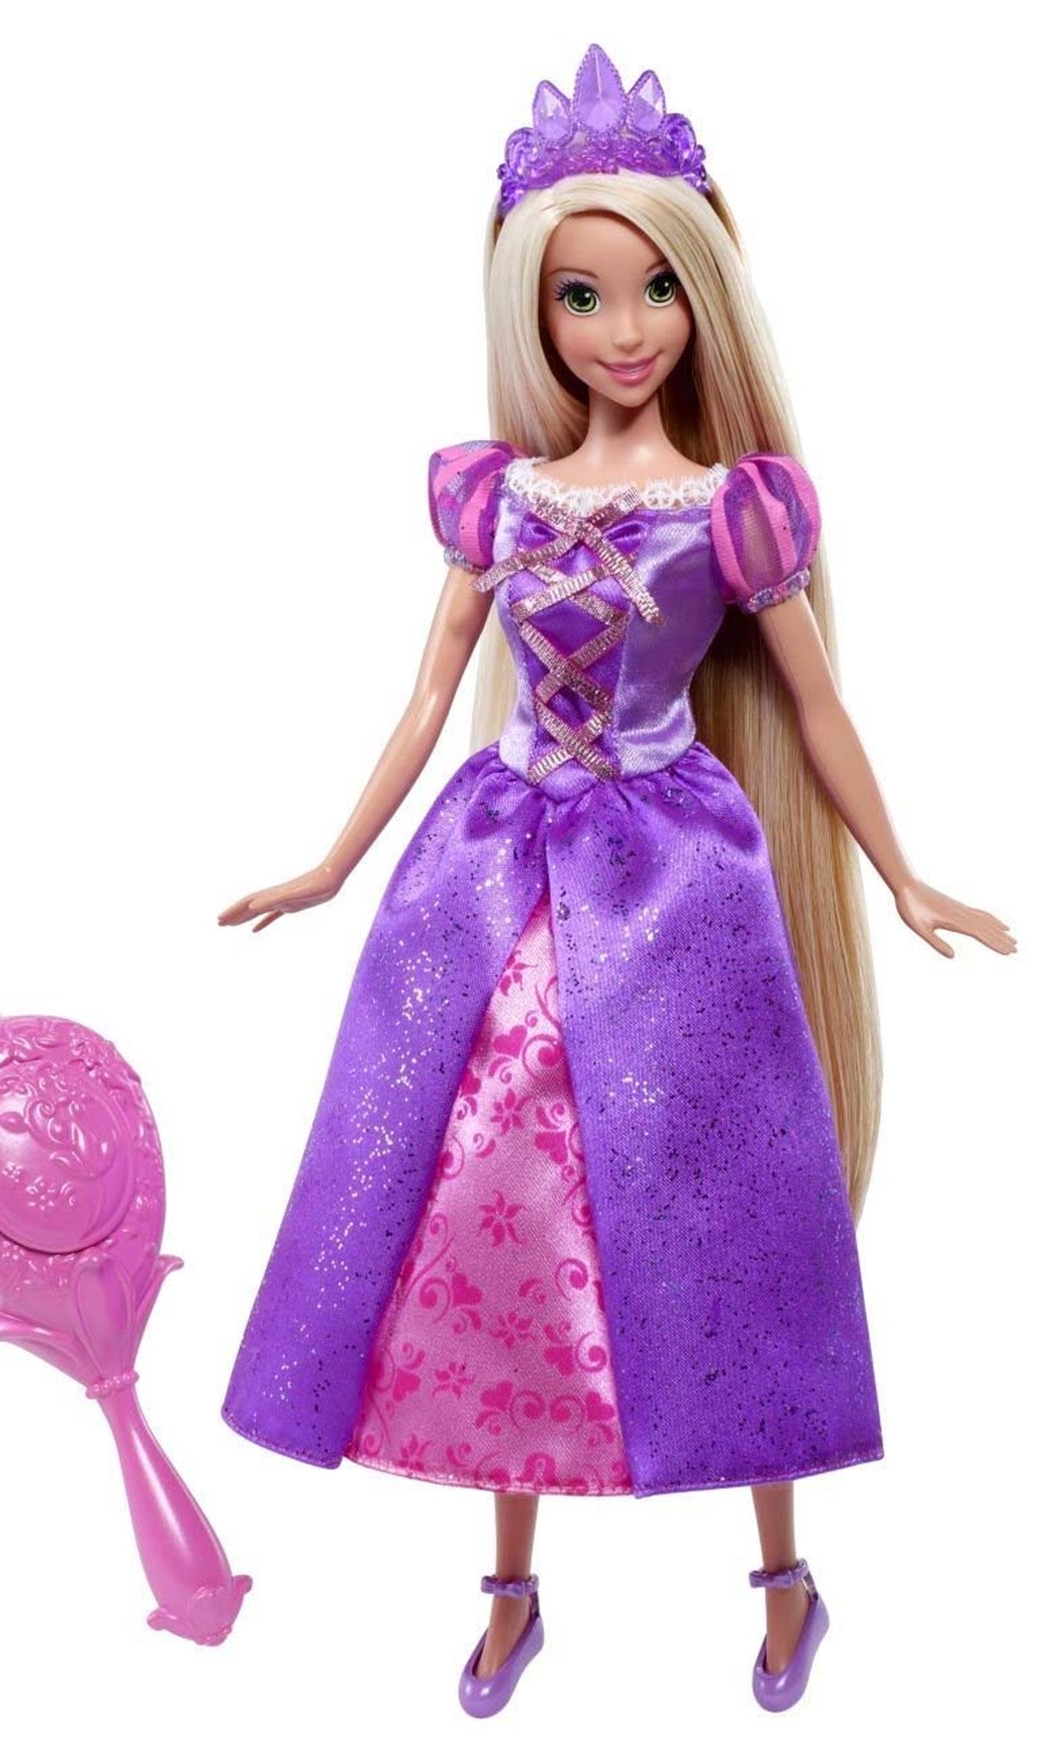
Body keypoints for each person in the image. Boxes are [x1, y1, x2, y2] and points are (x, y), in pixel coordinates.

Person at [217, 43, 1015, 1717]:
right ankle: (511, 1585)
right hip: (497, 869)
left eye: (656, 289)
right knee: (492, 1196)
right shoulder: (497, 498)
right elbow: (427, 698)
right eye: (584, 295)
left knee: (732, 1205)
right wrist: (331, 861)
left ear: (703, 298)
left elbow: (818, 710)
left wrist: (906, 878)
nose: (626, 327)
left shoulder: (738, 513)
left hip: (675, 887)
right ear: (538, 311)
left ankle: (783, 1571)